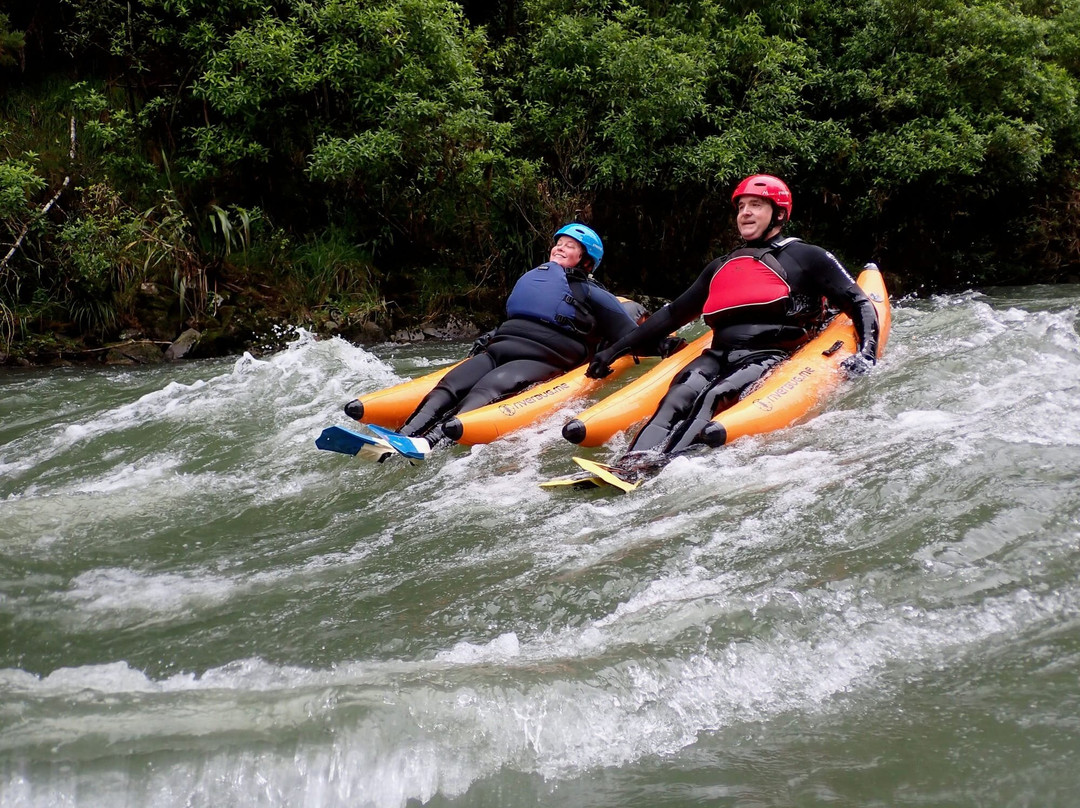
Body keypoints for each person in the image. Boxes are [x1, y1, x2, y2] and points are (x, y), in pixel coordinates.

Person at [585, 174, 880, 474]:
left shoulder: (807, 257)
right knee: (676, 398)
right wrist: (614, 351)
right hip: (717, 354)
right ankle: (627, 465)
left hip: (769, 354)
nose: (745, 213)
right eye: (741, 207)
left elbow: (858, 303)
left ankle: (657, 468)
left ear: (779, 214)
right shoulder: (721, 266)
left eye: (756, 205)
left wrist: (867, 352)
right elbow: (672, 314)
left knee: (713, 397)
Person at [369, 224, 678, 444]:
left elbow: (628, 334)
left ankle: (430, 442)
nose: (560, 247)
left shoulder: (590, 291)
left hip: (541, 357)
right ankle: (403, 435)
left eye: (570, 245)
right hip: (500, 348)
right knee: (449, 386)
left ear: (586, 261)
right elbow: (521, 316)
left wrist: (664, 344)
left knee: (485, 390)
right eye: (559, 243)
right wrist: (488, 336)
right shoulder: (537, 278)